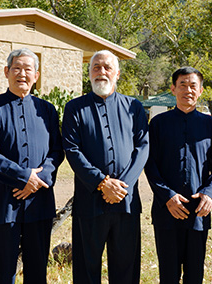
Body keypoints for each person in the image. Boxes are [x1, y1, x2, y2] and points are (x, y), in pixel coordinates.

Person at [62, 50, 149, 284]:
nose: (102, 72)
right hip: (89, 201)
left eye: (107, 67)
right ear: (89, 73)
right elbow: (72, 150)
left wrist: (122, 186)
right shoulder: (74, 108)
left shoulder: (134, 107)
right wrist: (102, 183)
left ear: (117, 73)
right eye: (96, 67)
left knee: (126, 267)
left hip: (126, 201)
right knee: (86, 267)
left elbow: (143, 147)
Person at [0, 48, 64, 284]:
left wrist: (38, 180)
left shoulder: (47, 110)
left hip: (39, 203)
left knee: (37, 271)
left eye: (28, 69)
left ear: (36, 75)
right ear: (6, 72)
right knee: (0, 271)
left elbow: (56, 151)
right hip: (2, 205)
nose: (22, 73)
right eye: (17, 68)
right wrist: (24, 177)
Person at [145, 66, 212, 284]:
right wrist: (167, 196)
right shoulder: (158, 124)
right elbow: (150, 164)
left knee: (195, 274)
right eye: (182, 85)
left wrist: (209, 193)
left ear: (200, 91)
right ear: (173, 89)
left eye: (193, 86)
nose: (188, 90)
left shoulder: (211, 126)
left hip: (199, 211)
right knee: (168, 275)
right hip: (166, 210)